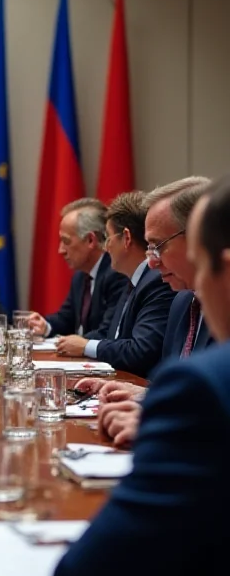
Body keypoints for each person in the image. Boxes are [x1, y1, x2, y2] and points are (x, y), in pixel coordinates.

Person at [49, 175, 230, 576]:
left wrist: (162, 419)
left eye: (172, 250)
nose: (155, 265)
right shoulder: (185, 322)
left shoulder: (206, 391)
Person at [76, 178, 215, 444]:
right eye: (149, 247)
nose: (151, 262)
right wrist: (143, 393)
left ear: (200, 236)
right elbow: (189, 395)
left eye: (158, 246)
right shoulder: (182, 302)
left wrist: (162, 424)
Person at [54, 192, 176, 378]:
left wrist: (86, 346)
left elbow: (141, 350)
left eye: (108, 238)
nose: (105, 247)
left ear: (126, 239)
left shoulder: (156, 281)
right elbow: (112, 337)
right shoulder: (133, 279)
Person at [28, 198, 128, 338]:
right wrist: (45, 325)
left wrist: (77, 344)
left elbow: (108, 332)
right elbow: (66, 318)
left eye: (66, 241)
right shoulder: (81, 275)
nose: (60, 250)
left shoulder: (116, 273)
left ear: (90, 240)